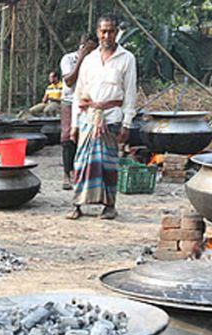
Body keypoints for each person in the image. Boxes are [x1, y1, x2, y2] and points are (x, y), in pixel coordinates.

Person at [68, 14, 136, 221]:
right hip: (88, 118)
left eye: (111, 31)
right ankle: (78, 204)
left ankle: (109, 206)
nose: (107, 35)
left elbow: (130, 93)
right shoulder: (89, 60)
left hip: (112, 118)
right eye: (103, 31)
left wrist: (127, 123)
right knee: (82, 163)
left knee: (108, 164)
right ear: (98, 33)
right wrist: (74, 124)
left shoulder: (127, 59)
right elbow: (78, 94)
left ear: (117, 33)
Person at [60, 33, 98, 190]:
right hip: (70, 102)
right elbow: (69, 81)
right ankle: (67, 174)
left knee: (87, 138)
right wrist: (82, 59)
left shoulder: (98, 61)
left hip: (90, 103)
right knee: (68, 137)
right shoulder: (69, 59)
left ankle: (81, 172)